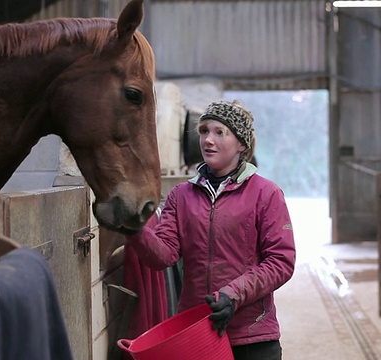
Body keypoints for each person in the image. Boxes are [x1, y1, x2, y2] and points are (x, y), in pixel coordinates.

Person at [126, 99, 296, 360]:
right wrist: (134, 229)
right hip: (197, 332)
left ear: (241, 143)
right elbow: (163, 256)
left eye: (219, 132)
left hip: (251, 336)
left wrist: (233, 295)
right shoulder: (181, 195)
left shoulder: (266, 193)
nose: (207, 140)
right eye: (204, 131)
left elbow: (281, 261)